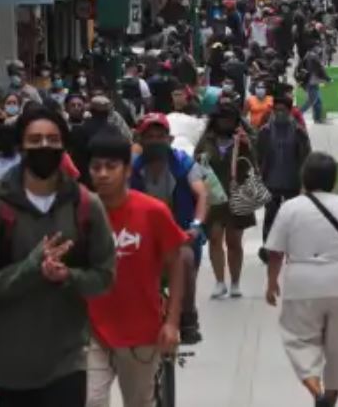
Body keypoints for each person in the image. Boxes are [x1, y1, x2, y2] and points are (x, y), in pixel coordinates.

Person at [0, 106, 116, 407]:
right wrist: (32, 267)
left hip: (67, 360)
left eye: (53, 139)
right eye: (35, 140)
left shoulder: (86, 206)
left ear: (64, 145)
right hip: (9, 362)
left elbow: (104, 276)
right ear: (21, 146)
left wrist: (68, 276)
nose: (44, 146)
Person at [83, 131, 186, 407]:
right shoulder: (80, 213)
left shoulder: (153, 212)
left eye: (111, 166)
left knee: (139, 401)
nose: (103, 174)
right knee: (90, 400)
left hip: (141, 332)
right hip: (92, 329)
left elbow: (176, 263)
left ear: (128, 170)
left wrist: (172, 322)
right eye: (96, 167)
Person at [265, 153, 338, 407]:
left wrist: (271, 284)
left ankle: (316, 391)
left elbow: (275, 252)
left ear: (304, 178)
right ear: (333, 179)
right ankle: (329, 401)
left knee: (299, 341)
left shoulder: (290, 208)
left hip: (302, 283)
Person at [131, 113, 210, 344]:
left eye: (160, 136)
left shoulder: (184, 164)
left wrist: (196, 225)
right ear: (140, 140)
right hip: (143, 235)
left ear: (170, 139)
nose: (155, 141)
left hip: (180, 233)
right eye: (150, 136)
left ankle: (188, 316)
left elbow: (202, 195)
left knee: (185, 258)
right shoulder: (132, 169)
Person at [195, 104, 256, 300]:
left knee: (234, 241)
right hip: (214, 196)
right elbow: (195, 162)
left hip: (239, 194)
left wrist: (247, 146)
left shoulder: (244, 139)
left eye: (229, 119)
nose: (225, 123)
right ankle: (219, 282)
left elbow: (255, 164)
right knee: (214, 238)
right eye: (222, 119)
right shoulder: (206, 140)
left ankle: (235, 282)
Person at [257, 95, 313, 247]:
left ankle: (293, 247)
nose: (279, 113)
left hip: (292, 182)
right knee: (270, 217)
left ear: (290, 111)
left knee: (293, 218)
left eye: (282, 110)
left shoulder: (299, 132)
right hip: (271, 182)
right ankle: (268, 248)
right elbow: (259, 156)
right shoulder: (265, 131)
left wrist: (305, 183)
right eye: (276, 110)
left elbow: (306, 157)